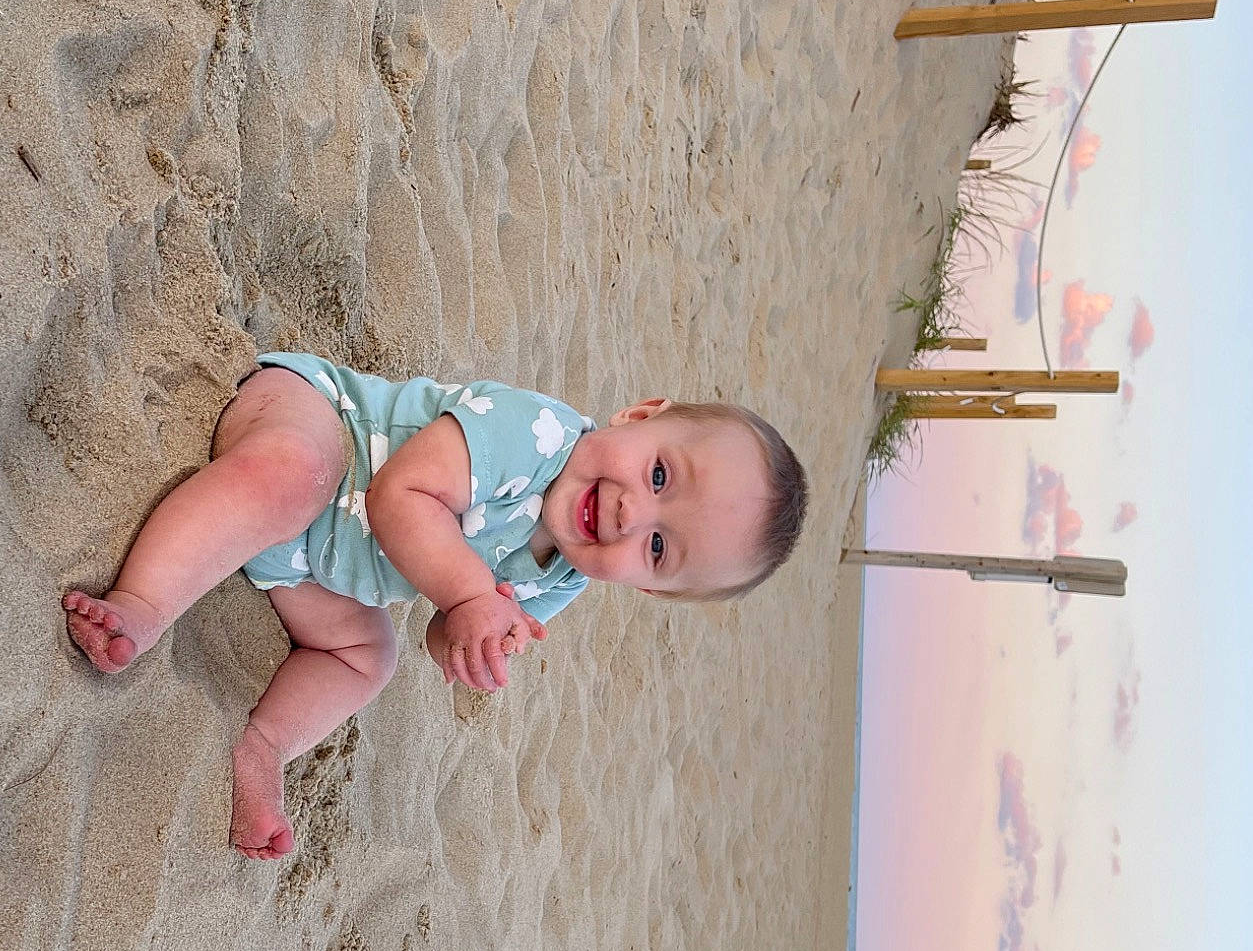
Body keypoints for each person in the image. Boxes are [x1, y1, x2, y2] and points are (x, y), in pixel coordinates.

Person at [62, 352, 808, 859]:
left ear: (646, 588)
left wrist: (463, 639)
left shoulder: (565, 579)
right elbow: (401, 495)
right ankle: (143, 604)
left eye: (656, 549)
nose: (627, 516)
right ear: (642, 415)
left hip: (316, 562)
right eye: (656, 475)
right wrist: (469, 594)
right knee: (298, 474)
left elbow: (436, 632)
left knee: (368, 657)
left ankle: (264, 750)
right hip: (318, 430)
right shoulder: (535, 435)